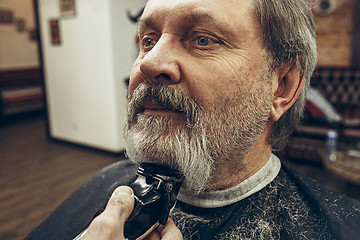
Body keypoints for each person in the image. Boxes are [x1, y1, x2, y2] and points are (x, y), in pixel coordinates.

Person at [26, 0, 360, 239]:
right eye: (148, 40)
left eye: (203, 39)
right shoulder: (109, 182)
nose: (148, 63)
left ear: (282, 86)